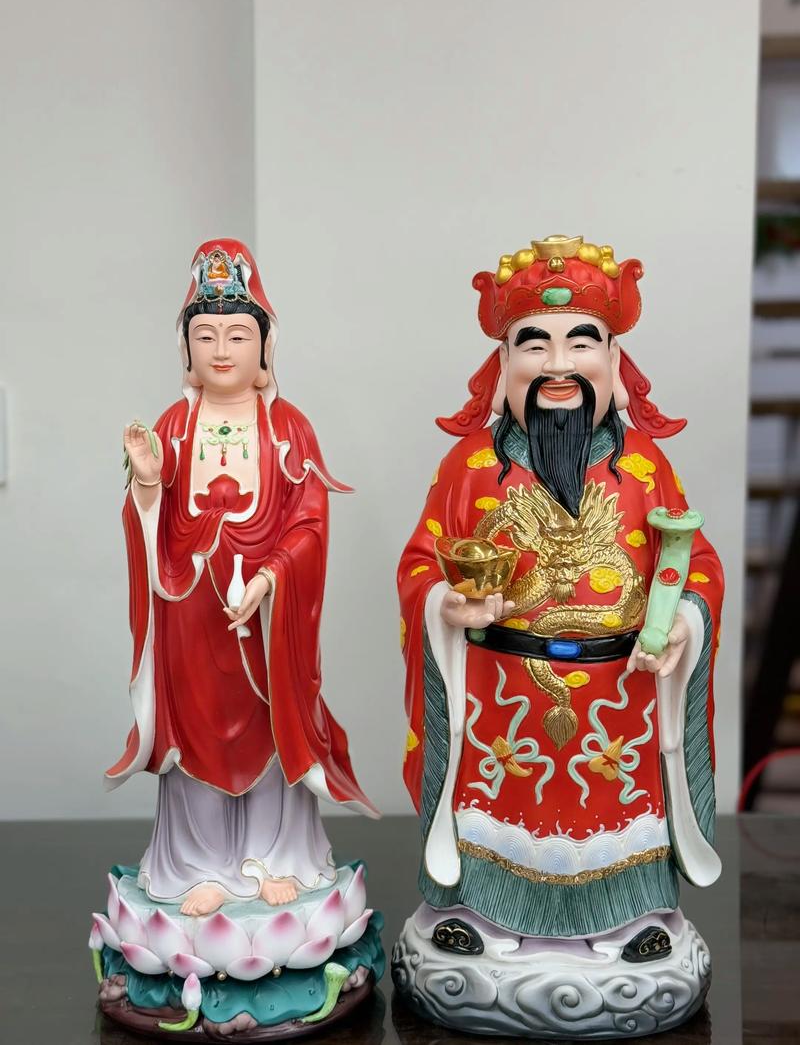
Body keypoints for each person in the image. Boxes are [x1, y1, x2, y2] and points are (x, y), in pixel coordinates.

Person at [398, 235, 723, 941]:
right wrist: (445, 604)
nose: (558, 365)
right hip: (501, 694)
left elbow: (696, 562)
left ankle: (628, 920)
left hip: (621, 694)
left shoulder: (644, 467)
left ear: (614, 359)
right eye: (534, 344)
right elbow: (421, 561)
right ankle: (482, 917)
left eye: (581, 342)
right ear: (503, 364)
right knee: (499, 810)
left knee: (614, 813)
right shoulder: (469, 467)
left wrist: (683, 621)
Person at [107, 238, 377, 917]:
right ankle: (197, 863)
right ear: (185, 348)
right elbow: (148, 522)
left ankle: (271, 858)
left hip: (265, 616)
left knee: (271, 725)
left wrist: (272, 576)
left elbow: (309, 522)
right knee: (195, 731)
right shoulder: (174, 424)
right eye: (205, 335)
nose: (221, 349)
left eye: (237, 334)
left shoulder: (288, 428)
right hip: (190, 610)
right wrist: (147, 481)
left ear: (264, 346)